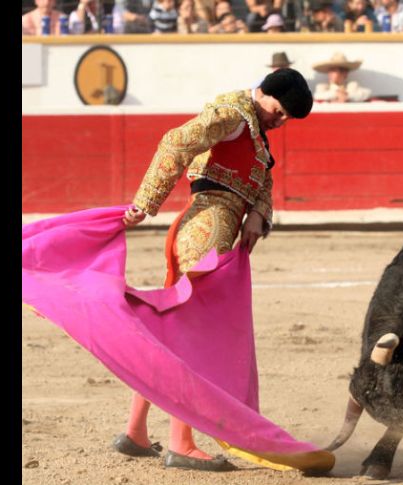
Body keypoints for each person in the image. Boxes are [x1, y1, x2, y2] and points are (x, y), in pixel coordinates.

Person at [116, 68, 313, 471]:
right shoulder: (233, 115)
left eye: (288, 117)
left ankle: (136, 432)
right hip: (206, 229)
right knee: (194, 337)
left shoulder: (253, 128)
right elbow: (176, 140)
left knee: (173, 335)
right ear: (264, 94)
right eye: (280, 111)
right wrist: (146, 202)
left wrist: (259, 212)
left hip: (210, 229)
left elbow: (261, 179)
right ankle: (180, 443)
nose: (282, 120)